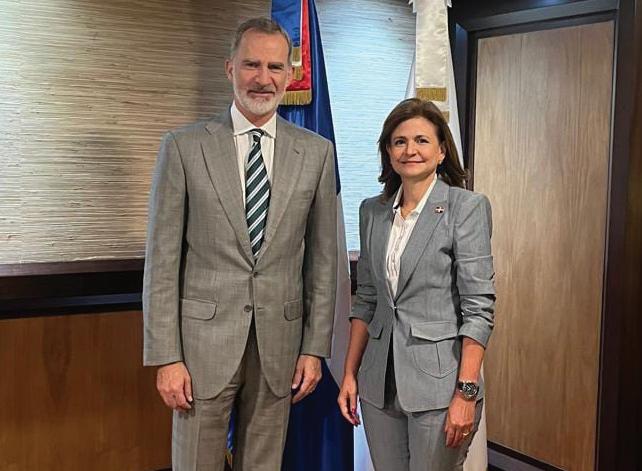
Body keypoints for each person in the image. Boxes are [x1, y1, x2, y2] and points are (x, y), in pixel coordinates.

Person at [143, 17, 337, 471]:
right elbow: (163, 261)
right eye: (252, 64)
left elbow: (323, 262)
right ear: (230, 68)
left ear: (289, 75)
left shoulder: (316, 153)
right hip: (200, 351)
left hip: (280, 347)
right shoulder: (184, 147)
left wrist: (314, 348)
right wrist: (166, 357)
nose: (263, 78)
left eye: (275, 67)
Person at [337, 98, 495, 470]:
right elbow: (367, 299)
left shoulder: (465, 208)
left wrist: (466, 393)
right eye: (400, 141)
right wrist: (349, 373)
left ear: (441, 151)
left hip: (441, 387)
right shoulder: (372, 211)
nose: (410, 150)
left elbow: (479, 309)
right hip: (379, 383)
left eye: (422, 140)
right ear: (388, 152)